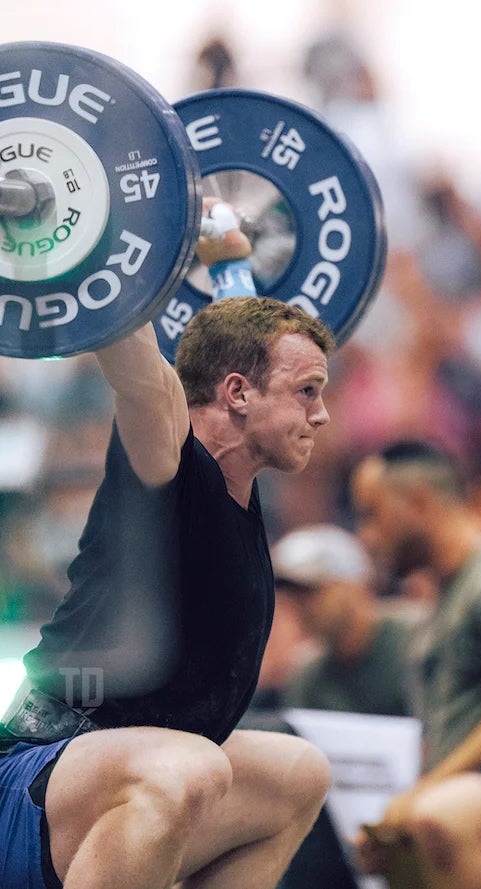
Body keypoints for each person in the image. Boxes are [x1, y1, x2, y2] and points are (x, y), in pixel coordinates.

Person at [0, 201, 333, 889]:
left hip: (132, 774)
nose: (321, 413)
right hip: (35, 780)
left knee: (299, 772)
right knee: (192, 766)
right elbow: (138, 367)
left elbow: (248, 338)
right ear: (237, 395)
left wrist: (228, 256)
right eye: (308, 391)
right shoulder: (166, 456)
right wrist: (72, 225)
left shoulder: (239, 469)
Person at [351, 439, 481, 889]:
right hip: (464, 783)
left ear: (418, 502)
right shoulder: (436, 600)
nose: (366, 535)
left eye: (372, 514)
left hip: (477, 789)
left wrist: (424, 791)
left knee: (438, 816)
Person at [270, 523, 415, 716]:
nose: (301, 606)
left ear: (353, 584)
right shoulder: (308, 678)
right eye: (293, 595)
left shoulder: (415, 641)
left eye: (311, 591)